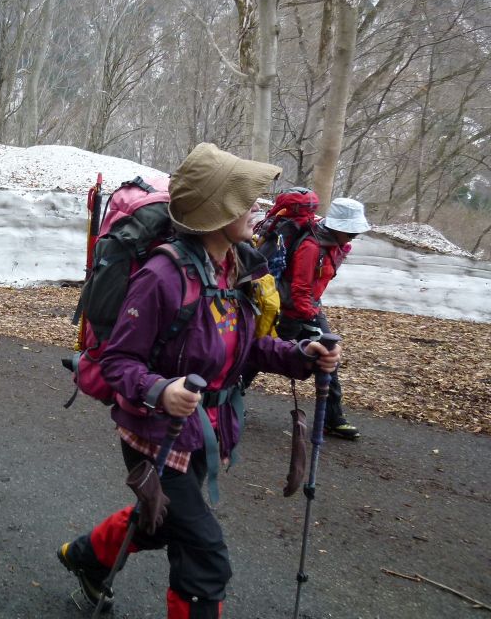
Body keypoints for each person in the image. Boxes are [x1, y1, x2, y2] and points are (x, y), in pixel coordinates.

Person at [56, 143, 341, 619]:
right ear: (216, 210)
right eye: (246, 200)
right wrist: (160, 390)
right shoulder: (163, 275)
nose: (258, 208)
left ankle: (85, 558)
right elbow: (119, 362)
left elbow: (241, 345)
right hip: (155, 434)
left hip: (205, 427)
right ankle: (92, 561)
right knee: (206, 558)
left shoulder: (235, 266)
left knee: (165, 521)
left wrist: (300, 356)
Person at [276, 196, 369, 440]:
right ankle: (230, 395)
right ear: (336, 227)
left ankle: (333, 419)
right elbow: (299, 288)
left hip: (309, 309)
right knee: (262, 355)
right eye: (351, 232)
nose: (353, 237)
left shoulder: (333, 245)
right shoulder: (311, 246)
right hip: (291, 310)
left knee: (328, 360)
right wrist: (310, 318)